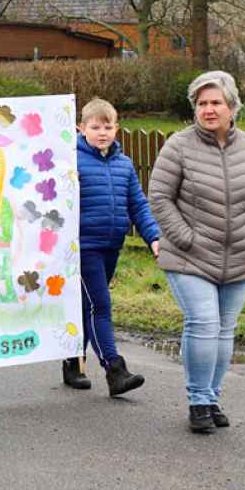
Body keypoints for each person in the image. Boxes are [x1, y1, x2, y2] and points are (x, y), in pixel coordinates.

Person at [149, 71, 245, 434]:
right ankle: (198, 401)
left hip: (238, 254)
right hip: (189, 257)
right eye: (202, 103)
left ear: (232, 106)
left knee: (225, 331)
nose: (208, 109)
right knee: (204, 324)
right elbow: (159, 197)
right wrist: (185, 238)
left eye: (216, 102)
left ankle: (213, 395)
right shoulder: (179, 146)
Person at [64, 98, 161, 396]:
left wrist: (154, 238)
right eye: (95, 126)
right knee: (100, 306)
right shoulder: (70, 162)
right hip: (82, 247)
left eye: (108, 126)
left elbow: (138, 205)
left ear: (116, 128)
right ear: (81, 129)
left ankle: (72, 362)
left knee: (86, 306)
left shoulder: (124, 164)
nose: (102, 132)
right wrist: (68, 182)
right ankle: (114, 370)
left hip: (111, 246)